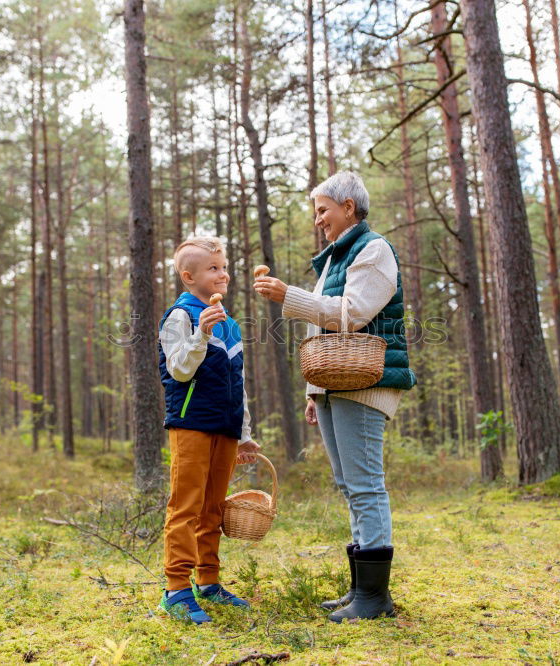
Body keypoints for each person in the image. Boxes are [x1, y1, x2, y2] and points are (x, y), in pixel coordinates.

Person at [254, 171, 415, 622]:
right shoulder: (334, 259)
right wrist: (314, 390)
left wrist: (290, 295)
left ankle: (374, 599)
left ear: (349, 207)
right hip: (335, 386)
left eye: (323, 210)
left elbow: (355, 314)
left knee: (366, 487)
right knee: (350, 487)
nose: (318, 220)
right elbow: (321, 328)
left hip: (364, 384)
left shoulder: (374, 250)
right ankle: (361, 589)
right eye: (316, 212)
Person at [157, 236, 262, 625]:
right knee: (186, 506)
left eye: (224, 266)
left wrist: (245, 430)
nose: (224, 274)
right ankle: (176, 589)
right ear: (189, 276)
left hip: (227, 427)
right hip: (191, 424)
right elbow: (178, 369)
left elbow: (239, 380)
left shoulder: (230, 323)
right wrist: (200, 334)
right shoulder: (180, 316)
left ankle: (209, 581)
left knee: (213, 509)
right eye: (213, 268)